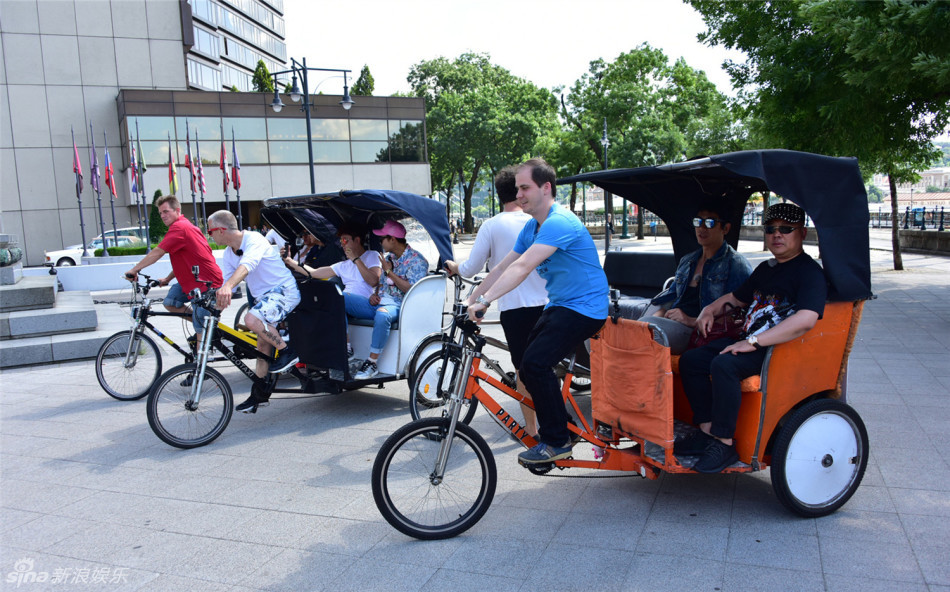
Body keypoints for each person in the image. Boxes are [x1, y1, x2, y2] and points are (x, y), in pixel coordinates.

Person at [468, 158, 608, 465]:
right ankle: (567, 429)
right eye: (517, 188)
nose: (518, 194)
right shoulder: (532, 227)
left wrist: (487, 300)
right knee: (527, 365)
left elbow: (522, 266)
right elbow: (503, 265)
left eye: (525, 187)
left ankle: (556, 440)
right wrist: (473, 296)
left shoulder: (560, 222)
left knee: (534, 365)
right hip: (560, 304)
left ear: (546, 188)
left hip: (586, 307)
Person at [676, 203, 826, 473]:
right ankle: (708, 430)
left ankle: (724, 442)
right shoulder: (766, 269)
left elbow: (806, 319)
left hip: (778, 349)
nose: (777, 235)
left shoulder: (809, 273)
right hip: (749, 340)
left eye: (786, 229)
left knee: (724, 365)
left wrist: (754, 342)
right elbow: (736, 298)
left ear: (802, 234)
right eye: (771, 229)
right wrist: (709, 309)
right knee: (692, 361)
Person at [444, 165, 548, 438]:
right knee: (546, 366)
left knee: (523, 369)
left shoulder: (493, 225)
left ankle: (532, 429)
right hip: (549, 303)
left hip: (516, 308)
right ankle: (554, 422)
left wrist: (455, 268)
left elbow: (473, 269)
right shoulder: (536, 221)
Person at [207, 210, 302, 411]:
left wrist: (227, 287)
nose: (209, 235)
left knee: (251, 320)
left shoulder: (254, 239)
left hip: (284, 292)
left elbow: (246, 266)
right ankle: (259, 395)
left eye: (210, 231)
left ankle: (288, 352)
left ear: (222, 230)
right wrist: (217, 300)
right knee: (262, 347)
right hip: (265, 299)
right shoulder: (228, 253)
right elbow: (227, 282)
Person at [648, 203, 752, 354]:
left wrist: (690, 320)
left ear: (726, 228)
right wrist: (655, 316)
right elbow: (670, 298)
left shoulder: (736, 265)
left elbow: (736, 316)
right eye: (698, 222)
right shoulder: (688, 260)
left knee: (650, 333)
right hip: (673, 323)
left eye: (710, 223)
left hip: (700, 332)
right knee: (634, 328)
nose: (702, 228)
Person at [124, 195, 222, 340]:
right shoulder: (183, 226)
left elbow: (158, 252)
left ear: (177, 210)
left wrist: (135, 270)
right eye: (160, 213)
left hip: (205, 284)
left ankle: (205, 336)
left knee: (200, 330)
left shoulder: (180, 227)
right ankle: (208, 325)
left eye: (166, 211)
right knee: (171, 302)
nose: (163, 216)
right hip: (191, 282)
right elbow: (185, 260)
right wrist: (168, 278)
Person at [286, 221, 382, 360]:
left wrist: (356, 259)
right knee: (323, 297)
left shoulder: (371, 255)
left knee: (337, 297)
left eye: (345, 240)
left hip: (369, 304)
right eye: (341, 241)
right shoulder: (343, 265)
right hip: (345, 302)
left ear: (357, 240)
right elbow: (314, 272)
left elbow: (374, 280)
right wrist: (290, 261)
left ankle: (346, 347)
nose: (342, 244)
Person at [352, 220, 429, 380]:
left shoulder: (417, 261)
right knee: (342, 300)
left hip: (402, 306)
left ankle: (372, 362)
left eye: (382, 239)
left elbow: (411, 289)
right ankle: (346, 349)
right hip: (380, 302)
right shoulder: (389, 257)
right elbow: (381, 284)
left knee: (382, 314)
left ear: (392, 239)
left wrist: (389, 271)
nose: (380, 242)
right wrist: (375, 294)